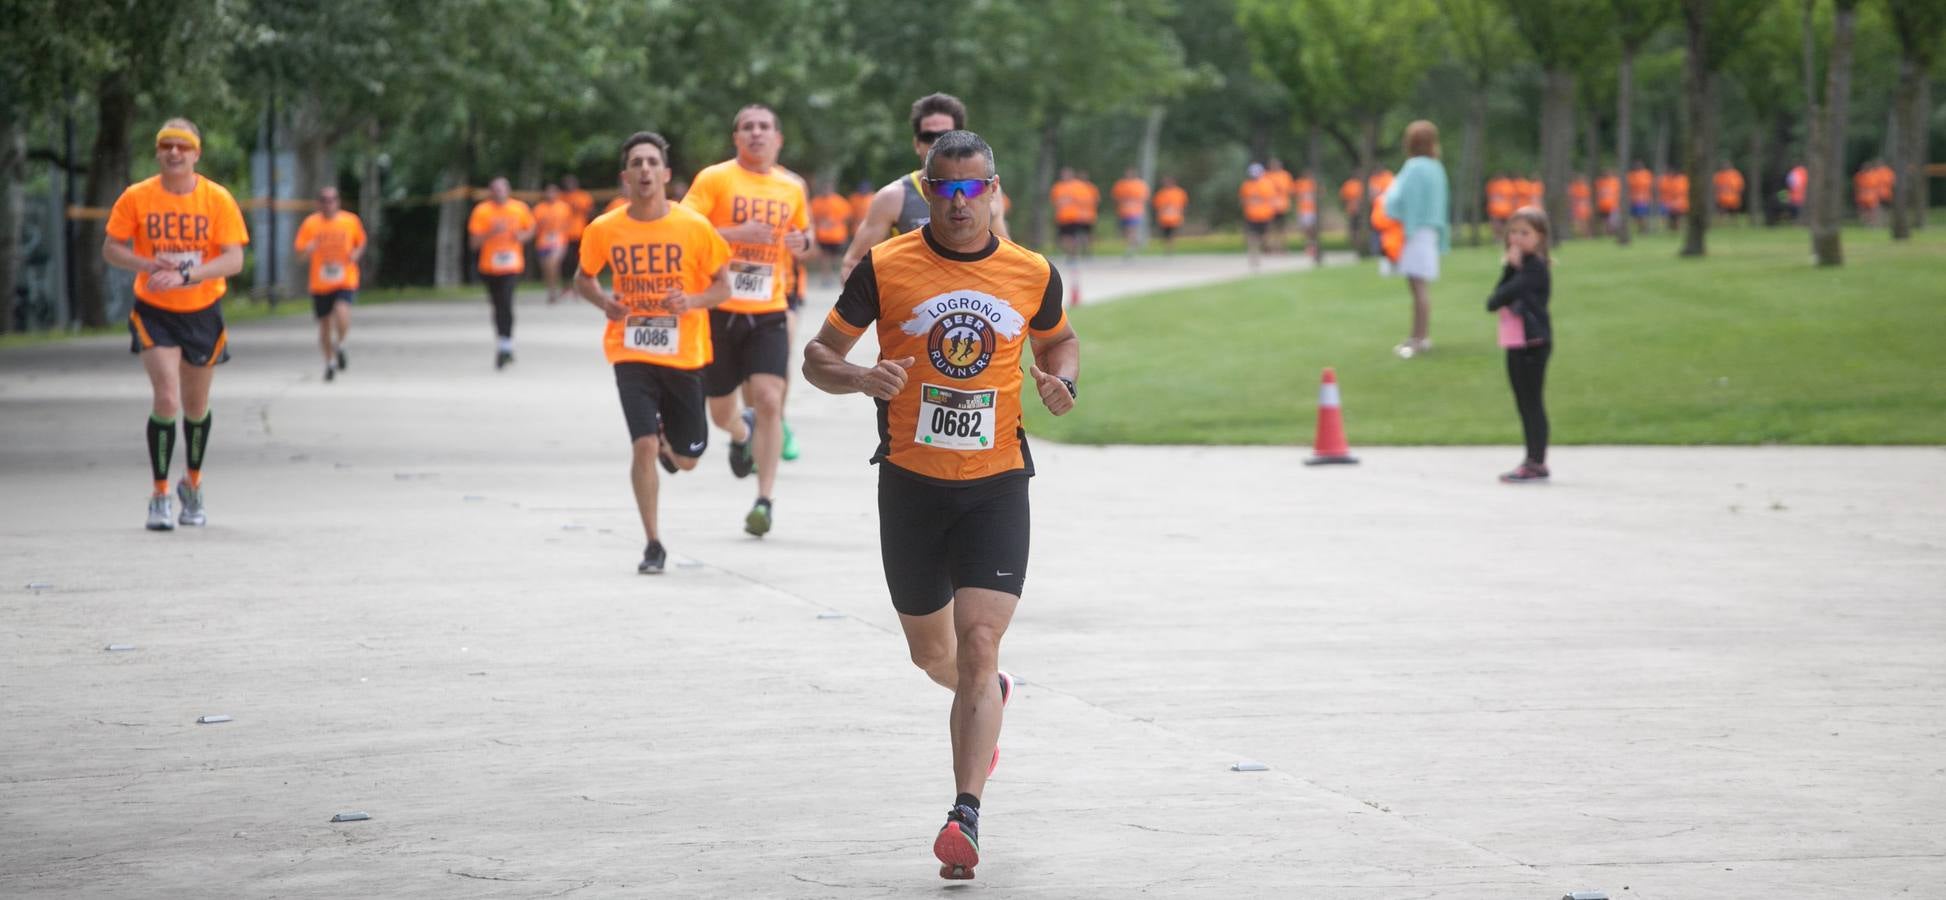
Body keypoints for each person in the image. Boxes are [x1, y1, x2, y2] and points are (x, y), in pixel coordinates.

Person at [801, 129, 1079, 882]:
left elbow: (1060, 342)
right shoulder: (888, 267)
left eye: (972, 188)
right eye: (944, 189)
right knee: (935, 655)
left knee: (980, 644)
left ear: (993, 190)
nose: (959, 202)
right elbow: (817, 357)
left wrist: (1063, 381)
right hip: (912, 487)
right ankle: (986, 697)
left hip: (995, 487)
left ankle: (966, 812)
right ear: (926, 191)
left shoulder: (1030, 271)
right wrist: (861, 379)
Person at [575, 131, 734, 573]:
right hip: (630, 351)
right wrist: (603, 301)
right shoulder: (605, 229)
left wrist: (694, 301)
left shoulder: (693, 227)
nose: (644, 170)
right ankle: (652, 543)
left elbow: (723, 285)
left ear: (665, 174)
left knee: (687, 459)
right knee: (641, 445)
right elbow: (583, 278)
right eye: (636, 163)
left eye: (652, 163)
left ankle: (670, 442)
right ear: (625, 176)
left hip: (684, 355)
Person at [103, 117, 248, 530]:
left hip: (202, 309)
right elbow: (111, 248)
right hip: (155, 310)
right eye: (166, 145)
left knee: (196, 407)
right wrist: (147, 263)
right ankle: (160, 493)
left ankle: (193, 484)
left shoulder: (217, 199)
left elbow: (234, 259)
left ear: (196, 154)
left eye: (182, 147)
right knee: (167, 399)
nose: (174, 153)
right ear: (157, 152)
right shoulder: (136, 197)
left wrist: (187, 275)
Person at [681, 104, 812, 537]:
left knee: (770, 399)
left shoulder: (793, 187)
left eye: (765, 127)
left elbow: (805, 241)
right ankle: (740, 435)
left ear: (778, 139)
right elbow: (682, 229)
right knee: (721, 411)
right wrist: (735, 235)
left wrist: (801, 241)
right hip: (718, 308)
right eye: (747, 128)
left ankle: (764, 499)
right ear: (736, 138)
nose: (756, 134)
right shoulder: (714, 179)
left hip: (769, 310)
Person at [841, 93, 1010, 282]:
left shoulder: (985, 189)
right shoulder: (894, 197)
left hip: (970, 303)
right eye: (928, 136)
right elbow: (853, 264)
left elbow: (1005, 260)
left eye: (945, 135)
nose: (936, 142)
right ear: (916, 144)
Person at [1486, 206, 1554, 484]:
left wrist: (1511, 270)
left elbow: (1501, 296)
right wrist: (1508, 268)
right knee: (1523, 403)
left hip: (1533, 342)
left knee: (1532, 402)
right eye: (1512, 232)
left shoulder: (1535, 268)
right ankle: (1531, 459)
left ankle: (1536, 461)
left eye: (1524, 233)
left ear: (1540, 237)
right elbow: (1493, 301)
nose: (1516, 238)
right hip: (1515, 341)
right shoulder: (1518, 268)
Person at [1380, 121, 1450, 359]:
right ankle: (1421, 336)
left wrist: (1404, 228)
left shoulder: (1413, 167)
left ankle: (1417, 339)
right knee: (1421, 287)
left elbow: (1401, 199)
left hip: (1413, 231)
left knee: (1417, 287)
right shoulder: (1436, 167)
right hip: (1429, 231)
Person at [292, 185, 366, 382]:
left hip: (345, 278)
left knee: (342, 313)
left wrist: (356, 255)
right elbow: (299, 255)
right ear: (318, 203)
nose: (328, 203)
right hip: (321, 282)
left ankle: (340, 344)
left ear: (338, 202)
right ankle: (329, 362)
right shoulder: (311, 224)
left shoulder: (350, 221)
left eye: (332, 199)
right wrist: (308, 250)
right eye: (324, 200)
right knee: (324, 325)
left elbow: (361, 242)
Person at [467, 177, 536, 369]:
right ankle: (503, 341)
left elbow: (530, 228)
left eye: (502, 189)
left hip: (512, 266)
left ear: (508, 190)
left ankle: (506, 344)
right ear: (490, 191)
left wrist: (521, 236)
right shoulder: (482, 211)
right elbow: (473, 243)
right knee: (497, 305)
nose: (499, 192)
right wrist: (491, 232)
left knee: (506, 301)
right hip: (489, 266)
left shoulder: (519, 208)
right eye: (495, 189)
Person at [532, 183, 573, 303]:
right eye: (548, 192)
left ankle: (554, 291)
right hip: (543, 241)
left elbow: (568, 224)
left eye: (553, 192)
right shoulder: (539, 208)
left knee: (553, 263)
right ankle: (552, 289)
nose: (550, 195)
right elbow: (534, 227)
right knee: (546, 269)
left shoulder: (564, 207)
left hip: (559, 240)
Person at [810, 182, 853, 285]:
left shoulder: (840, 201)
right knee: (825, 257)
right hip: (823, 235)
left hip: (837, 236)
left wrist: (836, 222)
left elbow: (848, 216)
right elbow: (811, 217)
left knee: (837, 257)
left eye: (828, 188)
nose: (826, 191)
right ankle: (826, 277)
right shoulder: (816, 202)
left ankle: (837, 275)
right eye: (824, 188)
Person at [1239, 163, 1279, 270]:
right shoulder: (1246, 185)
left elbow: (1271, 199)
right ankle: (1254, 258)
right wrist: (1248, 202)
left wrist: (1271, 211)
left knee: (1264, 238)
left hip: (1265, 215)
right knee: (1252, 237)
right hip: (1251, 216)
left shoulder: (1267, 184)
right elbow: (1242, 200)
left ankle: (1265, 249)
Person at [561, 174, 595, 288]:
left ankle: (580, 284)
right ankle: (567, 285)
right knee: (566, 261)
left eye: (572, 182)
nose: (570, 185)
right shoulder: (562, 197)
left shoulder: (583, 196)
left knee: (580, 260)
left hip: (581, 233)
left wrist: (581, 210)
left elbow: (591, 213)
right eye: (567, 182)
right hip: (565, 234)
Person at [1110, 167, 1149, 258]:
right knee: (1126, 231)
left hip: (1136, 211)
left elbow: (1144, 198)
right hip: (1123, 212)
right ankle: (1135, 242)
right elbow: (1115, 197)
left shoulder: (1140, 184)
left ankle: (1130, 249)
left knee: (1131, 229)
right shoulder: (1120, 185)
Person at [1265, 157, 1294, 253]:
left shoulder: (1285, 175)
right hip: (1269, 206)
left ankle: (1282, 247)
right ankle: (1270, 247)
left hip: (1282, 206)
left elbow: (1290, 190)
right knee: (1270, 227)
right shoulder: (1267, 176)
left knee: (1281, 228)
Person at [1152, 176, 1187, 254]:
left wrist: (1182, 214)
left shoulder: (1179, 192)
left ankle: (1170, 248)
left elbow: (1183, 205)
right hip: (1164, 218)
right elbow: (1157, 206)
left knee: (1172, 233)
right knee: (1165, 234)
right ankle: (1167, 247)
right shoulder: (1160, 193)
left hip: (1175, 217)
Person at [1293, 167, 1320, 260]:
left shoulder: (1314, 183)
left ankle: (1314, 246)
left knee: (1312, 229)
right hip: (1303, 210)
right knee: (1306, 230)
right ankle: (1309, 246)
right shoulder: (1299, 183)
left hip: (1312, 210)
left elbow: (1321, 194)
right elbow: (1295, 195)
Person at [1486, 172, 1515, 238]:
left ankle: (1498, 239)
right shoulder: (1508, 184)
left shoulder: (1493, 184)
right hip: (1505, 209)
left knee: (1497, 226)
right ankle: (1502, 238)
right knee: (1503, 226)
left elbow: (1490, 197)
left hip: (1497, 209)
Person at [1627, 162, 1654, 231]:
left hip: (1643, 199)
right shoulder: (1631, 175)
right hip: (1633, 199)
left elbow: (1650, 186)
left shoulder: (1646, 174)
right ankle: (1640, 229)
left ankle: (1644, 229)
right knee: (1635, 216)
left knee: (1642, 215)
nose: (1637, 166)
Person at [1594, 169, 1621, 236]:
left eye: (1608, 173)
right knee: (1604, 221)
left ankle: (1612, 233)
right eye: (1605, 173)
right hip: (1602, 206)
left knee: (1612, 222)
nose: (1606, 174)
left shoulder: (1615, 181)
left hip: (1613, 206)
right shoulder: (1599, 182)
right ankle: (1606, 234)